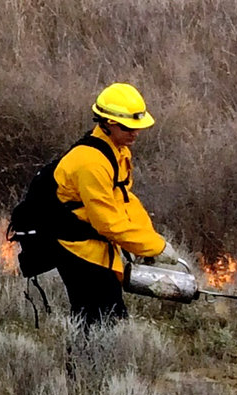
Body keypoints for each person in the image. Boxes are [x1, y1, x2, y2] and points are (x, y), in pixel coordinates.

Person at [45, 82, 188, 327]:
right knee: (97, 319)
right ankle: (86, 365)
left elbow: (124, 199)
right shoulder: (91, 162)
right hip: (77, 249)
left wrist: (147, 241)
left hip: (97, 247)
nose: (135, 133)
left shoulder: (117, 151)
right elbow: (107, 221)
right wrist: (154, 246)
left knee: (110, 317)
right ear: (109, 123)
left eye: (138, 127)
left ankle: (95, 362)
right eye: (128, 127)